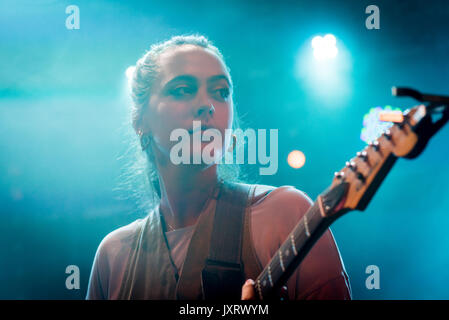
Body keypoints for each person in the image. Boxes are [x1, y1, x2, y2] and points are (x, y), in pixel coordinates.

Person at [86, 34, 352, 300]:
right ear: (140, 120)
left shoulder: (287, 214)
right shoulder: (112, 256)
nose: (207, 105)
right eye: (182, 90)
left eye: (221, 92)